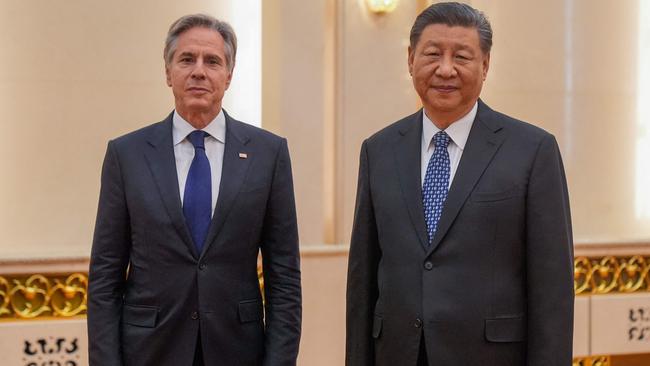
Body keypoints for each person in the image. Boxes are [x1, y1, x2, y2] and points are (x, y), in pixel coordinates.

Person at [345, 2, 574, 365]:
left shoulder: (532, 151)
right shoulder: (378, 150)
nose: (445, 69)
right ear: (410, 59)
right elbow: (362, 282)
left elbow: (553, 291)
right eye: (433, 54)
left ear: (485, 65)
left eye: (462, 57)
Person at [88, 14, 301, 366]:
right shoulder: (126, 155)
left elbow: (285, 279)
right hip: (149, 350)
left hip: (238, 351)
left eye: (212, 61)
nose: (199, 71)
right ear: (168, 72)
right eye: (187, 59)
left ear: (228, 76)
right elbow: (105, 278)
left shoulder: (269, 153)